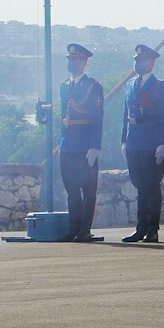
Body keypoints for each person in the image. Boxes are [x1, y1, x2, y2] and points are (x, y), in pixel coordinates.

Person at [120, 44, 164, 244]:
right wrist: (123, 139)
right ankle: (140, 228)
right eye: (136, 60)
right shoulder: (130, 85)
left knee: (151, 187)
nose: (138, 64)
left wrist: (163, 143)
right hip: (134, 142)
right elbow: (125, 115)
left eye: (142, 61)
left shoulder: (160, 87)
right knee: (140, 187)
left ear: (151, 62)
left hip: (151, 143)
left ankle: (152, 229)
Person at [59, 44, 104, 242]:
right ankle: (73, 228)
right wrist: (62, 143)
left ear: (84, 62)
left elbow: (97, 118)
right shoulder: (64, 86)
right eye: (69, 59)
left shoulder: (92, 86)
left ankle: (84, 230)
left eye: (75, 59)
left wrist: (94, 146)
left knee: (88, 190)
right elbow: (64, 118)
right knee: (71, 191)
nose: (71, 62)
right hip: (68, 145)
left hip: (85, 146)